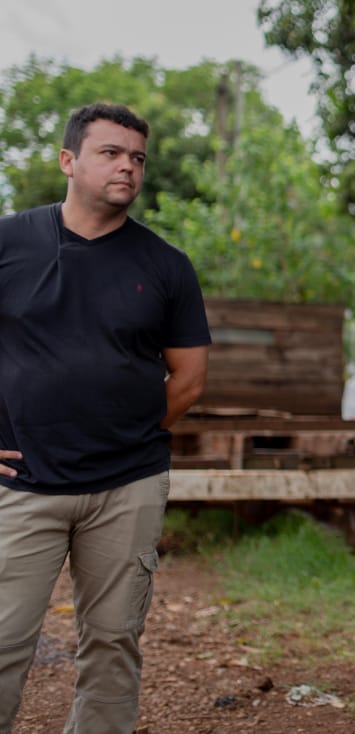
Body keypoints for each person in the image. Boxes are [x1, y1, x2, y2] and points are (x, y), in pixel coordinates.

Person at [0, 103, 211, 733]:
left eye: (137, 158)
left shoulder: (165, 265)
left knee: (113, 645)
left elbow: (190, 379)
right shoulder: (8, 243)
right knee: (4, 643)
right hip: (19, 484)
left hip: (126, 487)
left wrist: (127, 438)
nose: (128, 167)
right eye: (111, 153)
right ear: (68, 160)